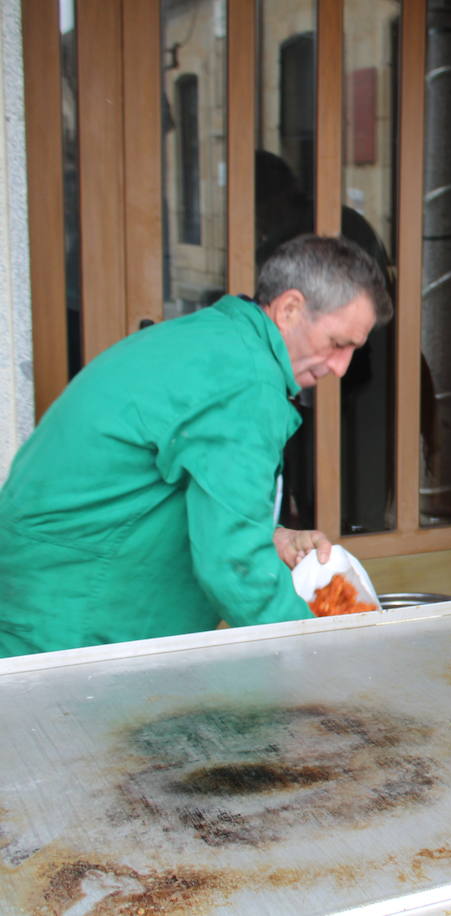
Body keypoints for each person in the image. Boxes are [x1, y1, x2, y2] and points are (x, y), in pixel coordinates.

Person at [0, 234, 393, 657]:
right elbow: (235, 568)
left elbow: (178, 489)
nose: (341, 367)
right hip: (74, 622)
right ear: (290, 309)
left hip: (49, 598)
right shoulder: (242, 379)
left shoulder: (216, 341)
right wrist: (323, 660)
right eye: (338, 344)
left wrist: (270, 537)